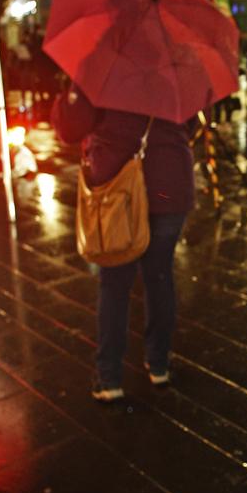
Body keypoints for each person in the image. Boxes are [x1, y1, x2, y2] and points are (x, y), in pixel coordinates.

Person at [51, 85, 194, 402]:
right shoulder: (176, 63)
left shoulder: (102, 70)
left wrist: (70, 92)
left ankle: (109, 378)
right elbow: (193, 122)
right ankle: (159, 365)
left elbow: (70, 129)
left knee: (114, 283)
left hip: (119, 189)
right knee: (159, 276)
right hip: (170, 184)